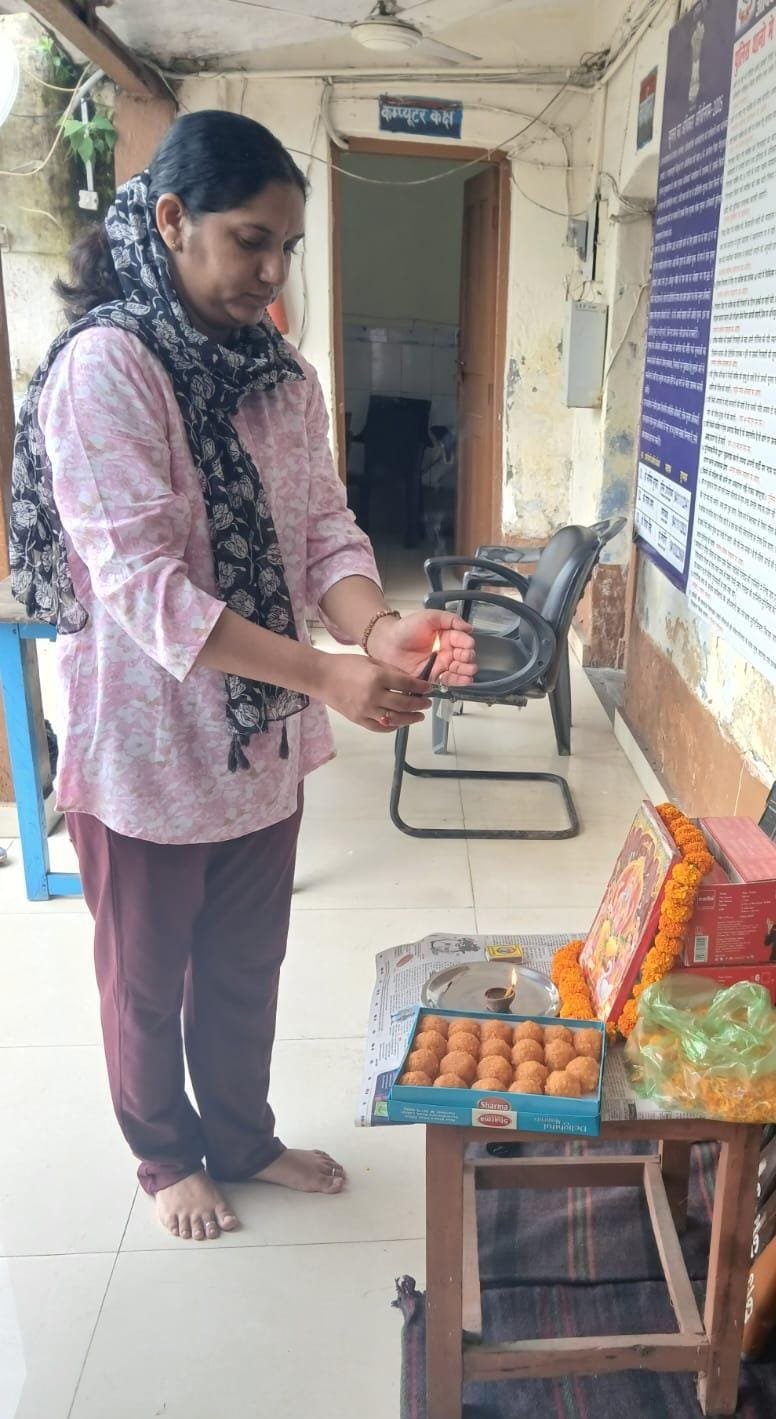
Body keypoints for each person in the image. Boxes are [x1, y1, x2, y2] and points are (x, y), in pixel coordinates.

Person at [9, 111, 475, 1242]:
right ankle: (165, 1157)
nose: (271, 273)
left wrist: (377, 630)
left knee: (243, 965)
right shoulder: (108, 368)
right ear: (172, 221)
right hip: (147, 748)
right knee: (145, 978)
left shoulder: (281, 377)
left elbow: (322, 534)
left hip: (255, 741)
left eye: (286, 249)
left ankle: (244, 1137)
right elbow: (143, 586)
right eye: (249, 241)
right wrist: (322, 672)